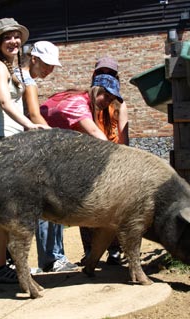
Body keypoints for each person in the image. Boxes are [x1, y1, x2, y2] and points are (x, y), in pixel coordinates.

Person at [0, 18, 49, 284]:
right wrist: (31, 125)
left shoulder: (12, 68)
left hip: (10, 141)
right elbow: (6, 104)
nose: (13, 41)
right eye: (7, 37)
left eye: (17, 37)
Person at [39, 73, 128, 264]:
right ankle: (50, 259)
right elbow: (95, 133)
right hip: (39, 154)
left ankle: (55, 258)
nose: (108, 102)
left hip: (49, 153)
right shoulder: (78, 104)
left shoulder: (78, 99)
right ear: (97, 90)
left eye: (112, 99)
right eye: (107, 96)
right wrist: (122, 160)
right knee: (46, 208)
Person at [20, 41, 78, 272]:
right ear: (34, 58)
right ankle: (52, 258)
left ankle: (51, 257)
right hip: (31, 150)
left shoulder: (20, 77)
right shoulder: (26, 80)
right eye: (46, 64)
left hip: (28, 148)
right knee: (49, 201)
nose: (50, 70)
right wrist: (56, 139)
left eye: (53, 66)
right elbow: (33, 115)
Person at [80, 56, 129, 265]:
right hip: (89, 159)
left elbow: (123, 136)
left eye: (109, 74)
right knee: (86, 206)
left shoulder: (119, 105)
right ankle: (90, 250)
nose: (104, 77)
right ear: (94, 75)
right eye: (101, 73)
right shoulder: (85, 101)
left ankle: (114, 250)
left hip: (112, 159)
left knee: (113, 207)